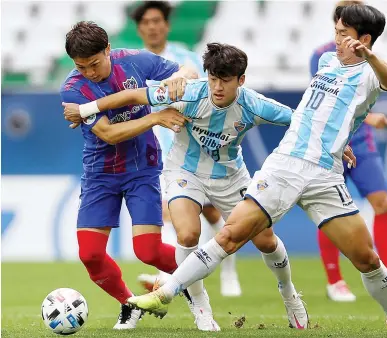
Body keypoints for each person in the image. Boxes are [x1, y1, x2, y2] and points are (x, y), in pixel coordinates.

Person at [125, 5, 387, 336]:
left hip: (325, 174)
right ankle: (165, 293)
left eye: (343, 35)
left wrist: (368, 57)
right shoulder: (326, 62)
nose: (335, 40)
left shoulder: (370, 75)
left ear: (364, 40)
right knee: (231, 235)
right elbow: (310, 114)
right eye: (335, 32)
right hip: (285, 164)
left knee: (366, 258)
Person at [64, 43, 361, 331]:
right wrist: (87, 108)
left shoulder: (254, 104)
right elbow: (132, 96)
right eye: (213, 78)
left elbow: (301, 122)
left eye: (225, 80)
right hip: (184, 172)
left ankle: (289, 294)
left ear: (240, 81)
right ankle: (202, 309)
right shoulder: (190, 94)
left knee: (266, 242)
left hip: (230, 177)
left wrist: (337, 145)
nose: (217, 87)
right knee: (187, 233)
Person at [59, 21, 197, 330]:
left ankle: (195, 278)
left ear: (108, 49)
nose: (89, 73)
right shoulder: (72, 89)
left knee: (147, 250)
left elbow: (187, 70)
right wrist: (156, 117)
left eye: (94, 64)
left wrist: (178, 78)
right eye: (81, 67)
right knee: (91, 255)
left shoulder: (134, 60)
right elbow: (108, 134)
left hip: (141, 168)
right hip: (99, 174)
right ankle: (129, 303)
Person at [309, 0, 387, 302]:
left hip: (361, 143)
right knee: (328, 212)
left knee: (382, 203)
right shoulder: (323, 57)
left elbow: (386, 84)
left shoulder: (370, 58)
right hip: (332, 144)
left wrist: (369, 120)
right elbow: (326, 101)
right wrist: (372, 118)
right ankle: (335, 281)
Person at [130, 0, 242, 299]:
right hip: (154, 151)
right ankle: (165, 279)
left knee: (214, 213)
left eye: (157, 21)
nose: (152, 27)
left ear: (166, 24)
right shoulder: (133, 63)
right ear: (139, 28)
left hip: (192, 145)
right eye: (146, 22)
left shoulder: (185, 57)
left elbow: (210, 93)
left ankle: (229, 272)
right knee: (169, 213)